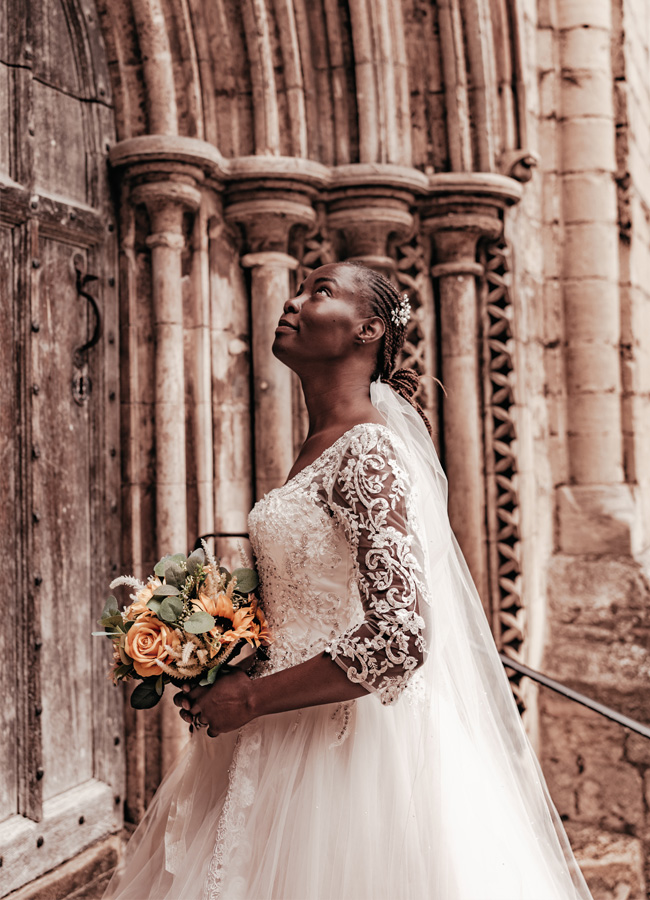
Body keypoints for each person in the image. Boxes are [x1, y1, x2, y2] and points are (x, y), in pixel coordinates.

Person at [104, 262, 593, 900]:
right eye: (301, 287)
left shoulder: (365, 451)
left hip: (347, 755)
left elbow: (400, 636)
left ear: (367, 330)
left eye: (320, 291)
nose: (293, 300)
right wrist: (226, 642)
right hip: (283, 728)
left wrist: (251, 699)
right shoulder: (321, 445)